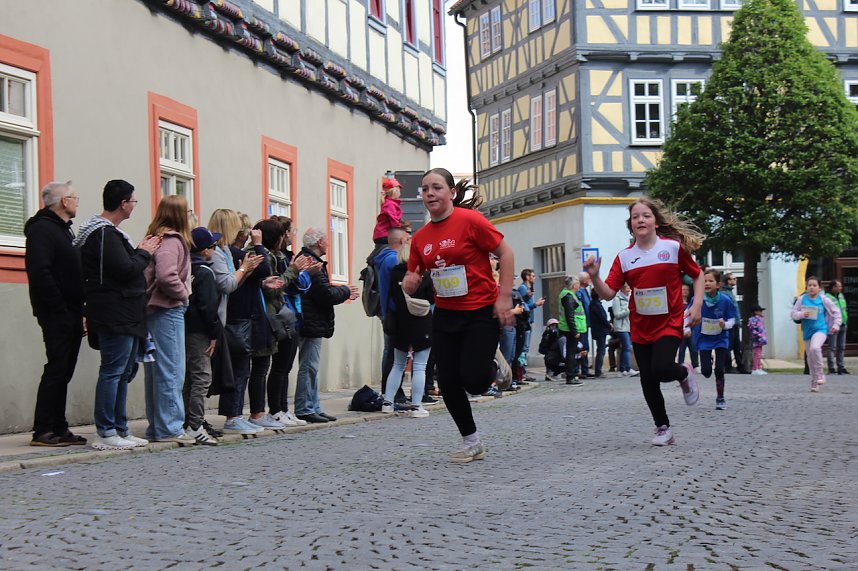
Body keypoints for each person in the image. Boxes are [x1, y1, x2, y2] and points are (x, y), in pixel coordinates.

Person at [402, 167, 515, 463]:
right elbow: (415, 272)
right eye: (425, 188)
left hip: (480, 311)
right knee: (449, 380)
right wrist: (410, 280)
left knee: (475, 382)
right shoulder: (421, 238)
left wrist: (504, 297)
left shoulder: (471, 221)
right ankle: (471, 441)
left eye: (437, 187)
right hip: (446, 314)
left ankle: (492, 363)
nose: (430, 193)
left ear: (451, 193)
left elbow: (506, 254)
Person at [585, 197, 704, 446]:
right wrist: (595, 277)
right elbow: (608, 293)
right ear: (631, 225)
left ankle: (684, 372)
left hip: (670, 321)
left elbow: (697, 274)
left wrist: (696, 305)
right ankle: (663, 429)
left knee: (661, 369)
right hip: (640, 325)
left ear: (656, 222)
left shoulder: (672, 248)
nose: (640, 219)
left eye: (646, 215)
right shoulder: (625, 257)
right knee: (648, 379)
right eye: (636, 216)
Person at [75, 179, 160, 450]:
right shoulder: (103, 235)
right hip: (115, 313)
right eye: (133, 201)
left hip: (125, 312)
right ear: (123, 203)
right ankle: (106, 430)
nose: (135, 206)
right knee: (113, 371)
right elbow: (125, 269)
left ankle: (120, 428)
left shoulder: (107, 234)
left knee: (123, 372)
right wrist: (144, 253)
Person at [25, 181, 87, 447]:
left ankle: (59, 426)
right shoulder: (42, 230)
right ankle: (43, 429)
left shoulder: (63, 230)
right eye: (74, 197)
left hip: (70, 310)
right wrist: (59, 307)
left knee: (64, 370)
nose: (76, 201)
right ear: (63, 202)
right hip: (56, 311)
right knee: (57, 368)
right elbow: (40, 272)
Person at [143, 195, 195, 446]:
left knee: (157, 371)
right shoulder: (173, 241)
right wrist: (183, 295)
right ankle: (170, 427)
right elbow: (166, 275)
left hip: (154, 310)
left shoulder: (154, 238)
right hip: (167, 309)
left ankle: (158, 426)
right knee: (172, 370)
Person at [294, 227, 359, 423]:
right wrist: (346, 291)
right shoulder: (311, 262)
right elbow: (324, 295)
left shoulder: (310, 260)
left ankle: (313, 405)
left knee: (311, 366)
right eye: (326, 240)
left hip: (312, 320)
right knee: (309, 366)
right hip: (310, 321)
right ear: (319, 242)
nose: (328, 244)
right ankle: (305, 407)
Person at [266, 216, 317, 427]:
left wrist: (303, 273)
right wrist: (301, 271)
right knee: (278, 366)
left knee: (285, 366)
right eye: (291, 231)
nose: (294, 234)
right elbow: (289, 284)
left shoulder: (286, 256)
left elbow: (300, 284)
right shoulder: (279, 258)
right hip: (282, 313)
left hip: (291, 313)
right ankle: (275, 410)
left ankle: (283, 409)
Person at [380, 237, 434, 418]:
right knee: (420, 366)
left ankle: (387, 402)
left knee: (397, 364)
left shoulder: (394, 272)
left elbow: (389, 296)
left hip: (400, 322)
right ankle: (416, 406)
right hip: (422, 322)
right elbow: (432, 299)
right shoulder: (423, 274)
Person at [183, 227, 223, 445]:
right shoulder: (205, 273)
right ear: (206, 250)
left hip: (184, 328)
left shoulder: (186, 267)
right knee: (202, 376)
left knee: (189, 376)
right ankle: (195, 424)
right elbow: (209, 308)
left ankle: (186, 419)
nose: (215, 250)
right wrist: (214, 333)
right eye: (213, 246)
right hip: (199, 331)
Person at [687, 269, 737, 411]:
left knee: (720, 369)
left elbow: (732, 319)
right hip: (703, 339)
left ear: (718, 285)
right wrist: (686, 329)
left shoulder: (725, 300)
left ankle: (720, 398)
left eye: (710, 281)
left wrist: (725, 325)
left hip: (721, 338)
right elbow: (688, 315)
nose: (707, 283)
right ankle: (706, 363)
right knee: (706, 372)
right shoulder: (697, 300)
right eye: (705, 281)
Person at [374, 226, 412, 398]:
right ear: (402, 241)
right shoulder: (393, 260)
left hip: (388, 311)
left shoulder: (384, 258)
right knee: (394, 354)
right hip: (394, 312)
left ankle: (392, 389)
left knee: (391, 352)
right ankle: (391, 391)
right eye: (408, 238)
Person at [791, 276, 841, 392]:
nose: (812, 288)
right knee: (810, 357)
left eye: (814, 285)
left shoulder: (824, 300)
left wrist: (835, 325)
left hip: (821, 329)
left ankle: (820, 374)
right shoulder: (802, 299)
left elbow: (836, 311)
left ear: (819, 288)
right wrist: (802, 314)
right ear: (806, 287)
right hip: (807, 332)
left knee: (815, 348)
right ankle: (814, 380)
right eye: (809, 285)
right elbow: (793, 314)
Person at [516, 269, 545, 380]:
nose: (534, 278)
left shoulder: (527, 289)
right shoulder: (523, 288)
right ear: (527, 277)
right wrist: (536, 304)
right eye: (532, 276)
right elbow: (524, 306)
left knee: (525, 347)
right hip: (525, 321)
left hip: (529, 320)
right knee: (524, 347)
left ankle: (522, 371)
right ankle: (522, 372)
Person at [558, 275, 586, 386]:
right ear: (575, 285)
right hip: (570, 329)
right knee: (571, 353)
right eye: (578, 283)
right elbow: (569, 315)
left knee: (572, 352)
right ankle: (570, 376)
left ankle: (571, 375)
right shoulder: (568, 296)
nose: (579, 285)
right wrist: (574, 331)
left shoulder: (569, 295)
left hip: (569, 327)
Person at [720, 273, 745, 373]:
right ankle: (728, 366)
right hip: (729, 323)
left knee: (736, 346)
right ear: (728, 281)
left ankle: (740, 366)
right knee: (729, 345)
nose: (735, 280)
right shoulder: (725, 293)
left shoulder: (729, 292)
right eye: (733, 278)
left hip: (735, 323)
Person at [611, 283, 637, 376]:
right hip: (621, 327)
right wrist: (628, 310)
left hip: (629, 327)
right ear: (622, 289)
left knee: (625, 347)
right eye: (627, 288)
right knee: (627, 347)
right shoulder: (617, 299)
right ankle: (627, 368)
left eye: (630, 287)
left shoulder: (630, 298)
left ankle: (623, 370)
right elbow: (617, 314)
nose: (629, 289)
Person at [825, 279, 849, 375]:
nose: (841, 288)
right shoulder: (827, 298)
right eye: (839, 286)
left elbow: (843, 309)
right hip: (833, 325)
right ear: (833, 287)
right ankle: (831, 368)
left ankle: (841, 367)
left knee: (841, 347)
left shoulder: (841, 296)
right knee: (832, 347)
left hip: (843, 324)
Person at [372, 176, 403, 245]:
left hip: (382, 234)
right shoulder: (390, 204)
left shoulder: (389, 203)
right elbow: (394, 219)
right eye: (399, 190)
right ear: (395, 191)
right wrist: (400, 233)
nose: (400, 193)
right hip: (384, 235)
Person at [589, 289, 611, 378]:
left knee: (600, 350)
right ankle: (598, 371)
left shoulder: (593, 304)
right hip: (600, 330)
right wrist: (609, 325)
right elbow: (602, 318)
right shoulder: (596, 305)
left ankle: (598, 370)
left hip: (597, 330)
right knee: (601, 351)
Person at [677, 283, 699, 371]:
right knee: (681, 349)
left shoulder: (692, 303)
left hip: (692, 328)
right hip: (681, 329)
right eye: (683, 290)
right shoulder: (677, 304)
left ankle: (695, 365)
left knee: (693, 347)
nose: (685, 291)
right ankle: (680, 365)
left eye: (687, 290)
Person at [577, 272, 593, 377]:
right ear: (583, 281)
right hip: (581, 323)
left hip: (586, 323)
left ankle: (585, 369)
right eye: (588, 279)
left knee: (585, 347)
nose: (590, 280)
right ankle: (579, 369)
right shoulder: (579, 292)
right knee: (581, 346)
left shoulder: (585, 291)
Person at [748, 304, 768, 375]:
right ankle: (755, 368)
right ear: (755, 312)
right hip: (757, 339)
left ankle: (758, 368)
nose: (761, 312)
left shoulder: (759, 319)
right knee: (757, 354)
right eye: (760, 311)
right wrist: (759, 336)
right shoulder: (753, 320)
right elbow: (753, 329)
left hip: (760, 339)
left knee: (759, 354)